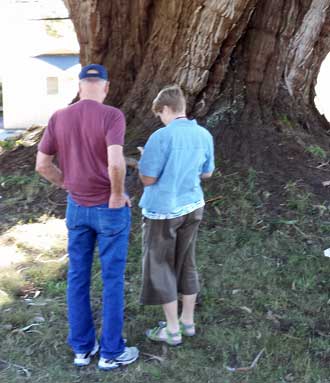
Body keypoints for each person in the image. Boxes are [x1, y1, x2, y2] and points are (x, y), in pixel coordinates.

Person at [35, 64, 139, 370]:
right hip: (109, 209)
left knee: (78, 277)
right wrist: (118, 195)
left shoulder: (59, 117)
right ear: (105, 88)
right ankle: (111, 353)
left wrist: (65, 183)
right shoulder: (111, 116)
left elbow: (42, 165)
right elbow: (116, 163)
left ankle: (82, 349)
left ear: (80, 86)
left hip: (76, 208)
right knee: (112, 280)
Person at [138, 84, 215, 346]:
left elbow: (148, 179)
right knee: (187, 262)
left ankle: (171, 330)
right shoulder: (204, 134)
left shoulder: (161, 137)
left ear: (168, 109)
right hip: (193, 205)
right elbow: (207, 173)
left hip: (163, 210)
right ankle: (187, 322)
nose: (161, 118)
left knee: (161, 266)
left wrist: (143, 161)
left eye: (160, 113)